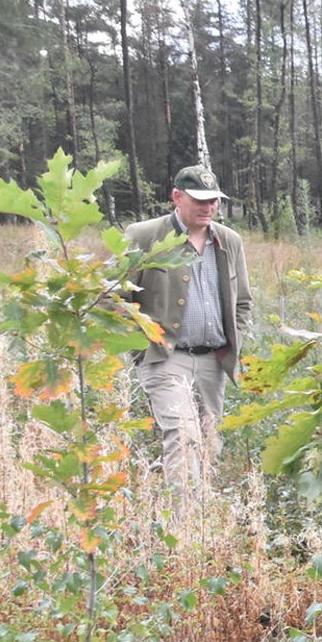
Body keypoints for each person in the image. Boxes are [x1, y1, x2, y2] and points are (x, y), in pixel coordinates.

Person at [125, 163, 253, 491]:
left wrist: (237, 336)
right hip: (166, 357)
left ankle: (199, 518)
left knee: (209, 442)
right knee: (183, 434)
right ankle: (184, 527)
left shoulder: (229, 241)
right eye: (199, 200)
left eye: (213, 200)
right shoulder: (144, 236)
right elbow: (116, 297)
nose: (208, 207)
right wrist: (138, 343)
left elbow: (242, 302)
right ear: (177, 197)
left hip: (214, 359)